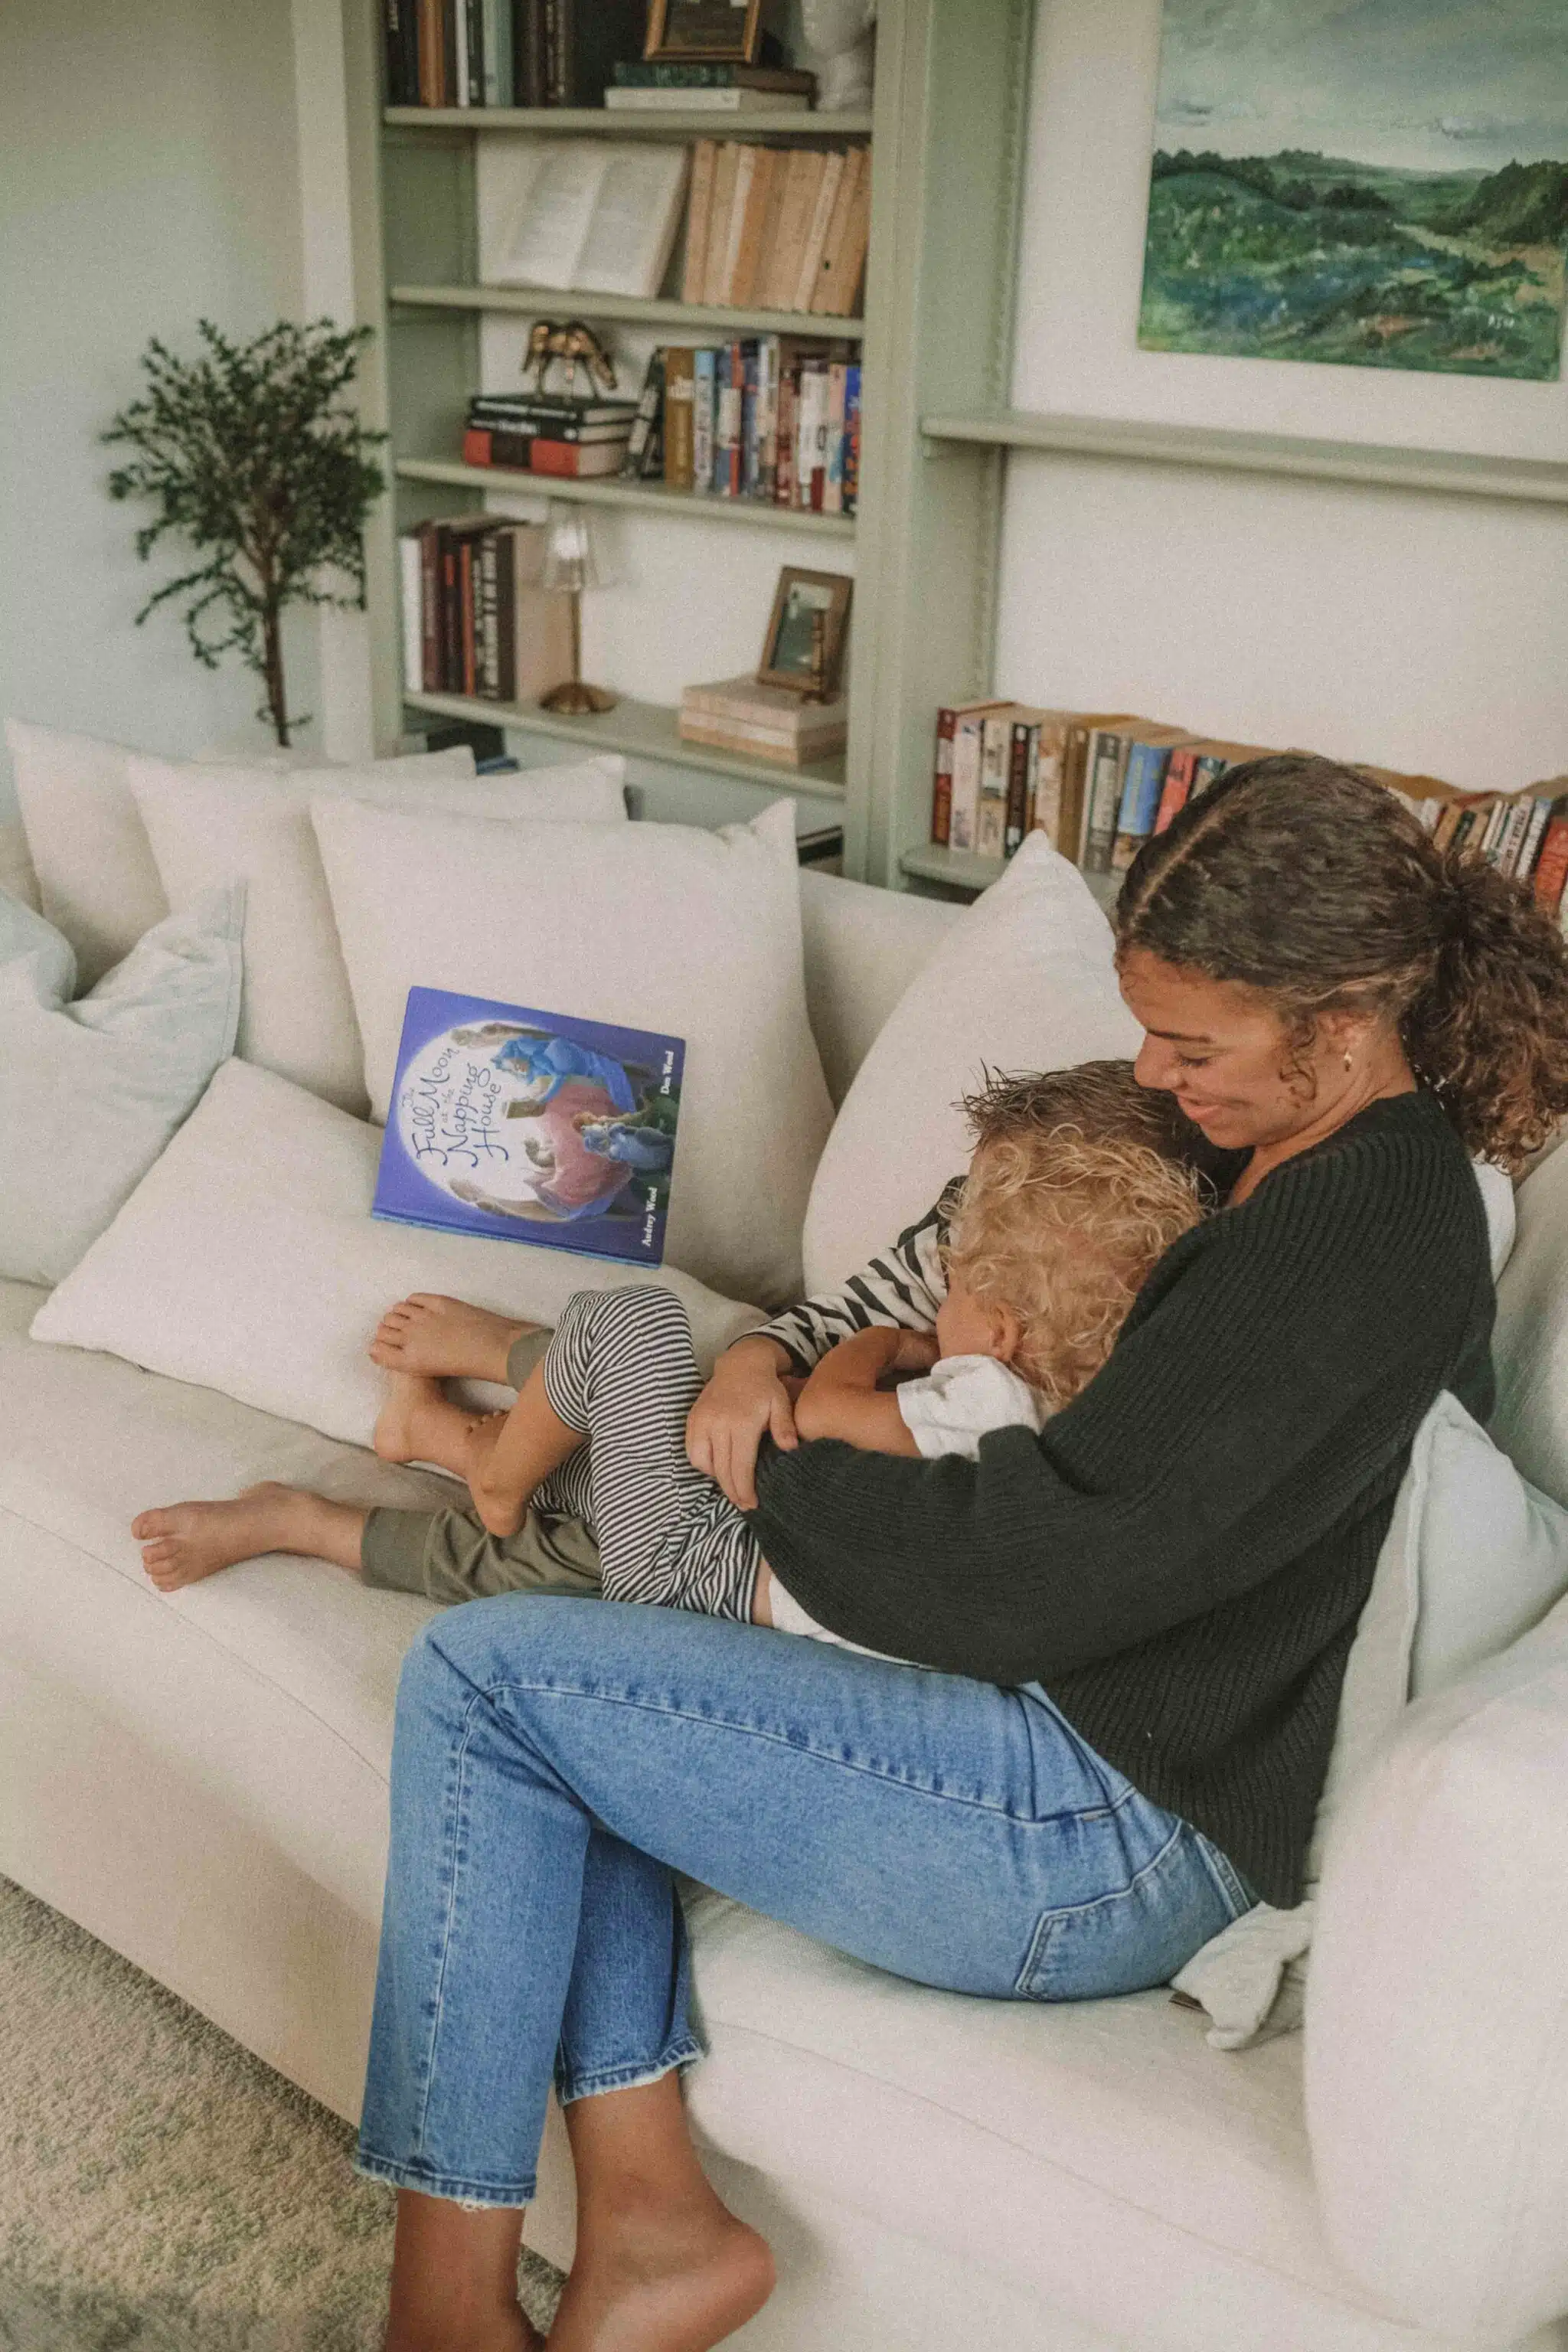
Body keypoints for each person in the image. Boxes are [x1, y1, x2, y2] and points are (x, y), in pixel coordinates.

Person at [158, 756, 1568, 2352]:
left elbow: (1043, 1560)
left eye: (1194, 1044)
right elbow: (1049, 1420)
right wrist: (778, 1370)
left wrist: (768, 1470)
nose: (1160, 1077)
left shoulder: (1356, 1234)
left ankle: (450, 2314)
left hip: (1100, 1827)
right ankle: (651, 2229)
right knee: (597, 1689)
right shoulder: (1297, 1165)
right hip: (1066, 1746)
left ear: (1338, 1020)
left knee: (488, 1680)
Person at [129, 1065, 1206, 1636]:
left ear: (1009, 1319)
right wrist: (762, 1363)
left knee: (635, 1325)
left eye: (964, 1266)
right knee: (618, 1508)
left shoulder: (981, 1396)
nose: (943, 1270)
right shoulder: (1071, 1389)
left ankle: (495, 1460)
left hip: (729, 1560)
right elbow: (823, 1358)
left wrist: (887, 1344)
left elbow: (833, 1400)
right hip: (741, 1535)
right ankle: (409, 1460)